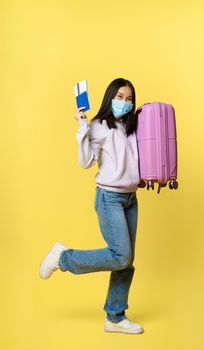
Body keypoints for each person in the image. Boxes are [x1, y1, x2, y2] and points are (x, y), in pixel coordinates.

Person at [39, 78, 144, 334]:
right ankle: (63, 257)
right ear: (110, 97)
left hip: (131, 198)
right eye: (120, 97)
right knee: (121, 256)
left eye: (129, 99)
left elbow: (135, 161)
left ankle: (115, 317)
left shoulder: (132, 127)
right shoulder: (99, 125)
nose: (124, 102)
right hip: (109, 198)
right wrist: (82, 130)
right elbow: (86, 162)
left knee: (126, 262)